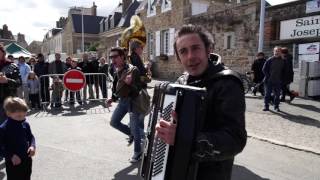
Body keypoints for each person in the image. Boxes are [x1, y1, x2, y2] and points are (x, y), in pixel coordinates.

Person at [155, 24, 247, 180]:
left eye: (195, 48)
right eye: (183, 51)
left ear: (208, 49)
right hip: (177, 170)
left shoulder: (227, 83)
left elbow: (235, 140)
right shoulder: (181, 81)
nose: (190, 56)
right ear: (178, 58)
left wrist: (183, 140)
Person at [106, 47, 145, 163]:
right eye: (111, 57)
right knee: (114, 122)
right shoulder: (116, 70)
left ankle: (138, 152)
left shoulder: (133, 70)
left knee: (134, 128)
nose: (113, 60)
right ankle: (136, 135)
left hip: (133, 101)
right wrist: (112, 98)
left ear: (122, 57)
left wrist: (130, 84)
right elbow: (116, 88)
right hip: (123, 101)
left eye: (115, 57)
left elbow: (138, 89)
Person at [0, 97, 36, 180]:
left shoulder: (25, 124)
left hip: (26, 159)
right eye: (19, 116)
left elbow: (31, 137)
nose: (23, 118)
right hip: (13, 162)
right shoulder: (3, 128)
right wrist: (11, 156)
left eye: (24, 115)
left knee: (26, 177)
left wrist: (32, 146)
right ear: (9, 113)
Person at [0, 45, 21, 123]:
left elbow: (19, 82)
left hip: (8, 101)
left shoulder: (12, 66)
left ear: (3, 53)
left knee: (10, 127)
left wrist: (7, 80)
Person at [262, 46, 285, 112]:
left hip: (278, 81)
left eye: (278, 51)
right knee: (267, 94)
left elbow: (284, 71)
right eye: (276, 51)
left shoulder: (283, 60)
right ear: (273, 52)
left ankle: (276, 107)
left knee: (277, 95)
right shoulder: (270, 60)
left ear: (280, 52)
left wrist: (283, 79)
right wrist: (268, 76)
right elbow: (264, 69)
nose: (277, 52)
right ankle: (266, 106)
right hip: (269, 81)